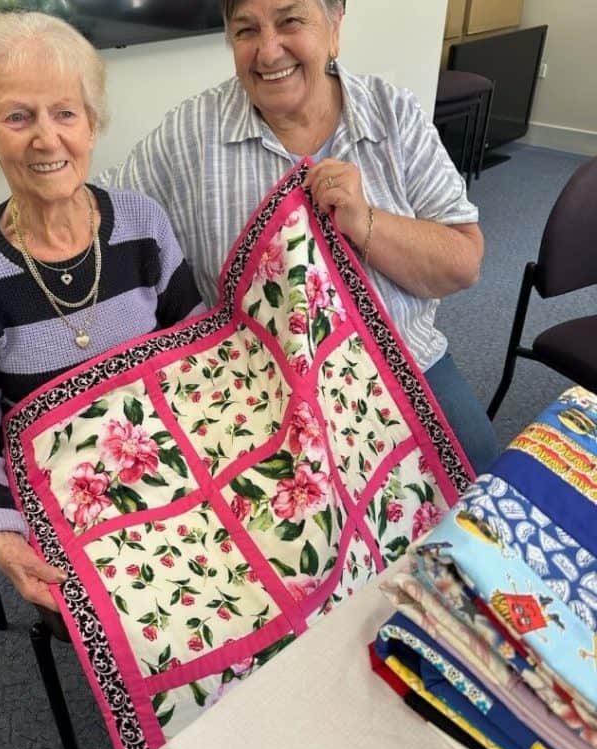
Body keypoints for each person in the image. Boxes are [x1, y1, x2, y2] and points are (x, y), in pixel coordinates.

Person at [97, 0, 499, 474]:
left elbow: (463, 263)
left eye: (290, 21)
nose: (268, 52)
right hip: (254, 385)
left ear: (334, 26)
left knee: (480, 485)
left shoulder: (393, 115)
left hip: (400, 363)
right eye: (246, 30)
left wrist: (365, 221)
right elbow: (101, 215)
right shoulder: (192, 134)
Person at [0, 11, 204, 610]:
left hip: (167, 465)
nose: (46, 138)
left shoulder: (143, 225)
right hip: (58, 495)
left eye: (65, 112)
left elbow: (195, 362)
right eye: (17, 117)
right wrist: (3, 539)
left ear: (92, 122)